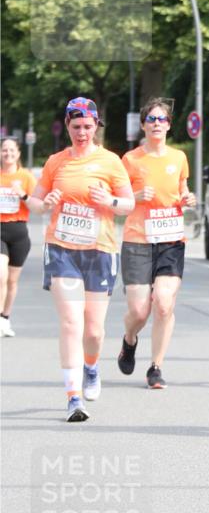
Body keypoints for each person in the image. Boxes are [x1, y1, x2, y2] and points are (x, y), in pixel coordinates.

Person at [29, 98, 135, 422]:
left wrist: (111, 200)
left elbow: (128, 204)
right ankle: (73, 397)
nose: (82, 133)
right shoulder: (56, 162)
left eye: (88, 127)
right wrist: (44, 202)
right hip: (62, 248)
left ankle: (91, 366)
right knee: (71, 323)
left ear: (96, 126)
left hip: (99, 250)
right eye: (76, 127)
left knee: (94, 331)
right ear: (67, 127)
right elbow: (33, 201)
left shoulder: (111, 162)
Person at [117, 98, 196, 389]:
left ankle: (156, 367)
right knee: (139, 311)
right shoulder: (130, 160)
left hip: (171, 239)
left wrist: (189, 198)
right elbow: (120, 202)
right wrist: (135, 196)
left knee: (163, 304)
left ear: (169, 125)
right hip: (138, 240)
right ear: (143, 124)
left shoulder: (178, 158)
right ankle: (129, 340)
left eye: (162, 119)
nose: (156, 124)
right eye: (151, 119)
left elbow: (183, 191)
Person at [0, 137, 37, 336]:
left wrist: (22, 194)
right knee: (0, 274)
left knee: (12, 281)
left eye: (11, 150)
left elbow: (37, 205)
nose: (8, 154)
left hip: (19, 233)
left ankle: (5, 318)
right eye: (4, 150)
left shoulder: (26, 177)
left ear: (18, 153)